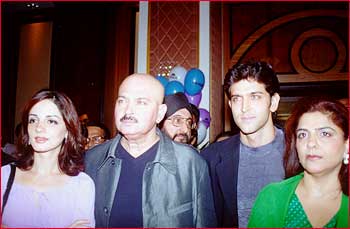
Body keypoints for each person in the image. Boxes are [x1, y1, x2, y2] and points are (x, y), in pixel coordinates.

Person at [84, 73, 216, 228]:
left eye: (141, 102)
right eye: (122, 101)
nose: (128, 110)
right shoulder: (92, 160)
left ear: (160, 113)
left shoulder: (190, 163)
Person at [201, 61, 285, 227]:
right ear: (230, 105)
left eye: (255, 96)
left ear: (273, 102)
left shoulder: (301, 152)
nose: (244, 108)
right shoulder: (211, 158)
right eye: (237, 99)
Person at [248, 97, 349, 228]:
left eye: (325, 134)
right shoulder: (271, 198)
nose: (311, 143)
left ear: (347, 145)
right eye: (303, 135)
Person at [1, 90, 95, 227]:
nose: (39, 128)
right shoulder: (4, 176)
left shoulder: (82, 185)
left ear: (68, 132)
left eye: (51, 121)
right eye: (33, 120)